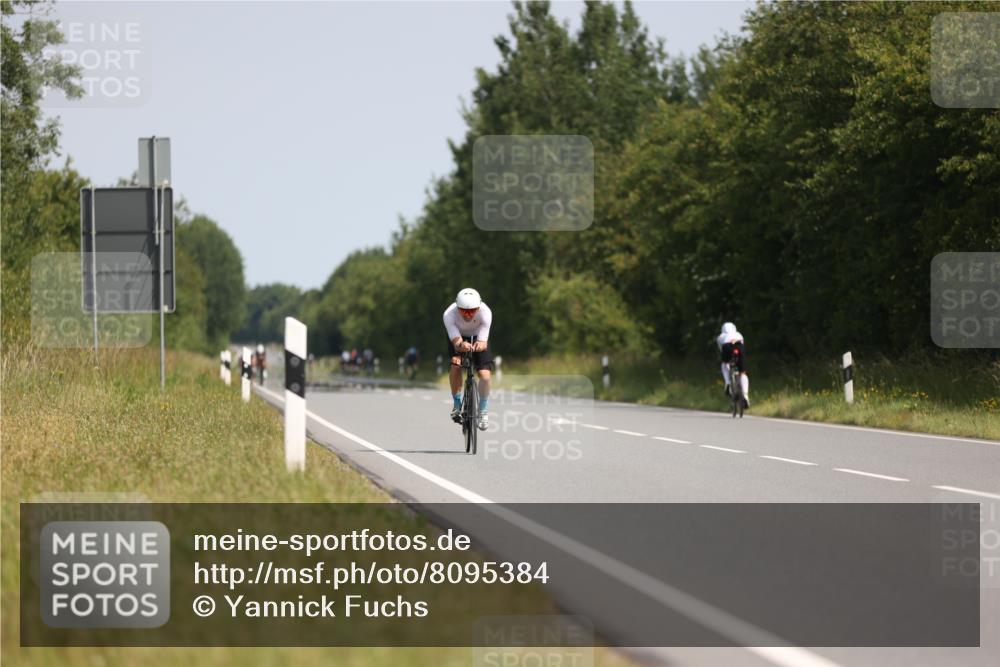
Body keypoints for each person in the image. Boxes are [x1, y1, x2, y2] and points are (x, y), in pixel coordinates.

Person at [443, 288, 493, 430]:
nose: (468, 315)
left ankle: (483, 411)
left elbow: (483, 342)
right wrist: (460, 344)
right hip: (458, 336)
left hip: (478, 336)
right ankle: (457, 404)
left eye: (472, 311)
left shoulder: (486, 312)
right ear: (457, 307)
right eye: (464, 311)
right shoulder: (448, 314)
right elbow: (456, 342)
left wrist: (480, 344)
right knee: (456, 365)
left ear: (479, 307)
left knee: (485, 376)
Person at [717, 322, 750, 408]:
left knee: (724, 364)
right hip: (739, 346)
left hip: (727, 346)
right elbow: (742, 345)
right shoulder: (739, 334)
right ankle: (746, 395)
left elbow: (722, 350)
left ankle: (727, 383)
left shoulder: (721, 337)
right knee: (742, 373)